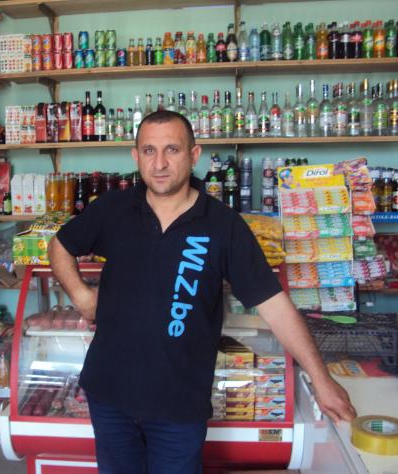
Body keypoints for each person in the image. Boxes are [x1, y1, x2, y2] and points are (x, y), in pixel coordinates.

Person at [48, 110, 356, 474]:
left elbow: (274, 305)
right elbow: (60, 245)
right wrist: (82, 296)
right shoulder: (113, 208)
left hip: (179, 406)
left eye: (172, 149)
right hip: (109, 394)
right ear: (136, 156)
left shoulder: (223, 225)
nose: (159, 163)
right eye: (149, 151)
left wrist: (321, 379)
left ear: (194, 155)